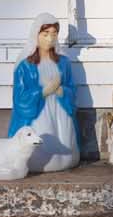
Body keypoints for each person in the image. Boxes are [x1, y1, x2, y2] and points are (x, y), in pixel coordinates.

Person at [9, 12, 79, 172]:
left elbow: (72, 89)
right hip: (38, 114)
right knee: (40, 155)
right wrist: (43, 91)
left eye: (54, 34)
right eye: (45, 34)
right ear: (36, 35)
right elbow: (19, 98)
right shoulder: (25, 66)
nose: (50, 38)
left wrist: (61, 90)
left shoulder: (64, 63)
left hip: (60, 113)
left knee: (66, 155)